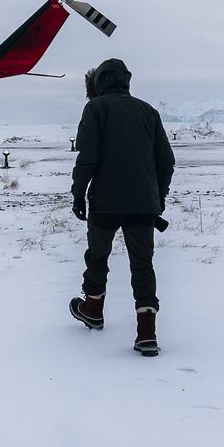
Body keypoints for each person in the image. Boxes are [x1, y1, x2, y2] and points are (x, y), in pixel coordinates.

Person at [67, 59, 175, 357]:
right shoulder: (148, 111)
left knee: (98, 255)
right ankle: (147, 332)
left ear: (98, 83)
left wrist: (78, 194)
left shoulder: (95, 108)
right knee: (143, 264)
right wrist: (158, 198)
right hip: (143, 203)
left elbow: (87, 157)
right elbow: (166, 161)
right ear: (126, 80)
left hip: (105, 202)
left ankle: (93, 309)